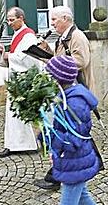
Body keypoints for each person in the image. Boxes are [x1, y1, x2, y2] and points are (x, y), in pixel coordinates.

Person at [34, 6, 95, 190]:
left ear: (66, 19)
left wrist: (54, 62)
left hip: (76, 89)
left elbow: (81, 61)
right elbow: (62, 59)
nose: (51, 23)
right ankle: (59, 174)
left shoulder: (77, 36)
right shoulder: (63, 37)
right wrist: (47, 52)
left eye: (54, 20)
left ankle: (59, 176)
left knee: (73, 134)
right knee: (67, 131)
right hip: (65, 90)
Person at [45, 55, 99, 205]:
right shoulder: (64, 98)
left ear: (59, 79)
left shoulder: (75, 104)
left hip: (75, 162)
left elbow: (73, 139)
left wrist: (47, 140)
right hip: (72, 161)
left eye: (50, 76)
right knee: (83, 197)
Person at [0, 7, 42, 158]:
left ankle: (28, 144)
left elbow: (30, 58)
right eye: (8, 20)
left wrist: (10, 56)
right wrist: (4, 52)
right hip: (16, 78)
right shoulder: (17, 34)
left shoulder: (28, 35)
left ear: (21, 18)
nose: (9, 23)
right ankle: (15, 144)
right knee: (13, 114)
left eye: (12, 20)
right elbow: (17, 54)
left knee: (21, 112)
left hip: (23, 78)